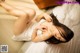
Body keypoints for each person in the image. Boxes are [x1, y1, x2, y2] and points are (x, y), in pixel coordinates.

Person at [0, 0, 74, 53]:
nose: (57, 37)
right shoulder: (51, 21)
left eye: (59, 39)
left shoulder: (48, 34)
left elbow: (34, 39)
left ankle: (1, 3)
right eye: (60, 35)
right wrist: (44, 15)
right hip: (28, 24)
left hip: (21, 32)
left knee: (24, 15)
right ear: (62, 28)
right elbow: (37, 19)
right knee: (32, 12)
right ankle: (9, 7)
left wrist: (36, 29)